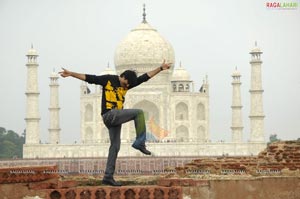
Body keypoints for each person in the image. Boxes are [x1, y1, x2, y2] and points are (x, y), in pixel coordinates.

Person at [59, 60, 171, 186]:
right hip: (109, 115)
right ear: (122, 77)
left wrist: (160, 68)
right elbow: (89, 78)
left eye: (127, 86)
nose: (125, 87)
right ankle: (140, 143)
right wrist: (71, 74)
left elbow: (145, 77)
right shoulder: (108, 80)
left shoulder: (128, 84)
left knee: (115, 147)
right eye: (125, 84)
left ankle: (108, 177)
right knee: (139, 113)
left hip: (116, 118)